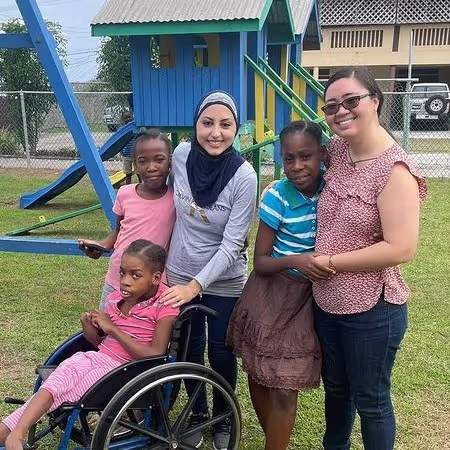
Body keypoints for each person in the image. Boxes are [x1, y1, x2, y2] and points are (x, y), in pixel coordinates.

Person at [310, 66, 427, 450]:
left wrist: (330, 262)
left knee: (371, 402)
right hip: (327, 304)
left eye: (351, 101)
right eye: (331, 106)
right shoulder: (339, 151)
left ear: (374, 101)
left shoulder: (395, 171)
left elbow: (401, 248)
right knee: (337, 393)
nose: (340, 111)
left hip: (372, 310)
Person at [0, 239, 179, 450]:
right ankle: (10, 433)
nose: (125, 281)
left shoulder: (164, 305)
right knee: (58, 381)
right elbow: (100, 343)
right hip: (97, 359)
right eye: (122, 273)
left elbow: (156, 354)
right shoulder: (114, 299)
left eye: (135, 275)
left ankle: (13, 433)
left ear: (156, 277)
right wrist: (89, 328)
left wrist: (113, 328)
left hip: (126, 371)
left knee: (61, 389)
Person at [227, 121, 333, 450]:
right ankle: (275, 438)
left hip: (309, 299)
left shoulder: (332, 188)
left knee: (286, 385)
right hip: (271, 292)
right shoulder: (277, 196)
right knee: (258, 372)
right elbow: (261, 260)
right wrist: (296, 260)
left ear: (322, 155)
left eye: (306, 156)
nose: (298, 166)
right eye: (289, 159)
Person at [161, 91, 257, 450]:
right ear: (195, 124)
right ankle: (197, 414)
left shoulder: (244, 177)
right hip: (178, 272)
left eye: (225, 124)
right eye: (207, 123)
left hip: (224, 280)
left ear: (236, 128)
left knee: (219, 351)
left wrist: (195, 286)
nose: (215, 132)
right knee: (188, 348)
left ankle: (223, 416)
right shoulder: (181, 156)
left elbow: (233, 245)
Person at [78, 129, 175, 311]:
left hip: (151, 285)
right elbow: (117, 231)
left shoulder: (176, 198)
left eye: (159, 159)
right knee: (105, 329)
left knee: (142, 334)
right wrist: (100, 246)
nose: (151, 167)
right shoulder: (125, 193)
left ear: (170, 162)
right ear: (135, 166)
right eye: (143, 161)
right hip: (117, 277)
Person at [120, 110, 138, 185]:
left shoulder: (135, 128)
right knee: (128, 174)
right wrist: (121, 151)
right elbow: (119, 143)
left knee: (139, 172)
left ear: (132, 117)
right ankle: (128, 187)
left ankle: (142, 185)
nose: (128, 119)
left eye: (129, 117)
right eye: (125, 118)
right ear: (122, 120)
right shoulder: (121, 130)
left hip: (136, 155)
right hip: (126, 155)